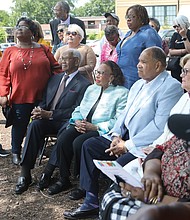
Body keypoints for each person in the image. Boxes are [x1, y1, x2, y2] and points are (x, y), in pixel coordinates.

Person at [63, 47, 183, 219]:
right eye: (139, 61)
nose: (138, 65)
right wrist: (116, 135)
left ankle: (115, 206)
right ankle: (90, 200)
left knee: (121, 166)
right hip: (124, 138)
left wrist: (126, 145)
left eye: (143, 62)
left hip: (143, 145)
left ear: (158, 66)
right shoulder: (138, 84)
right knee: (89, 146)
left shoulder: (171, 87)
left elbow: (159, 126)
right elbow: (124, 115)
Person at [38, 60, 129, 196]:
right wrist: (77, 121)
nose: (97, 75)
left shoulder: (121, 93)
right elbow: (79, 109)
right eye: (96, 72)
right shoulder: (92, 88)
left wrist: (95, 127)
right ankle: (64, 179)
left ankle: (83, 184)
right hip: (83, 125)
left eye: (101, 73)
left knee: (79, 143)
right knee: (63, 138)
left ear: (112, 77)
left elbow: (118, 120)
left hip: (102, 130)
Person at [14, 48, 91, 195]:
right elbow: (45, 100)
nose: (62, 61)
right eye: (61, 58)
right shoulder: (55, 78)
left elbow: (78, 109)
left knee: (66, 131)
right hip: (49, 118)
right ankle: (25, 173)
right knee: (34, 125)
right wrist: (39, 111)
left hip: (67, 120)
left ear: (76, 61)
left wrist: (50, 114)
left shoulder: (84, 84)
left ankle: (48, 172)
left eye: (66, 59)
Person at [0, 17, 61, 166]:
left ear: (32, 32)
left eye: (23, 27)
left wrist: (57, 89)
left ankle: (38, 150)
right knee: (19, 125)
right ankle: (16, 152)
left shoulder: (43, 49)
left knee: (38, 124)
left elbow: (57, 69)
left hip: (43, 96)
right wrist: (3, 94)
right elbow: (3, 74)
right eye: (17, 27)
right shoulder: (10, 51)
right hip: (20, 96)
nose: (19, 29)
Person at [116, 4, 162, 89]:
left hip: (137, 81)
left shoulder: (149, 34)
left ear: (141, 18)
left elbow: (156, 59)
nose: (128, 19)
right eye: (127, 17)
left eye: (132, 16)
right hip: (121, 79)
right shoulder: (128, 33)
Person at [168, 15, 190, 82]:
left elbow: (189, 50)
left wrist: (184, 36)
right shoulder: (175, 35)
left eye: (178, 26)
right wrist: (184, 51)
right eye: (174, 26)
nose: (176, 28)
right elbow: (170, 51)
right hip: (176, 64)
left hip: (187, 64)